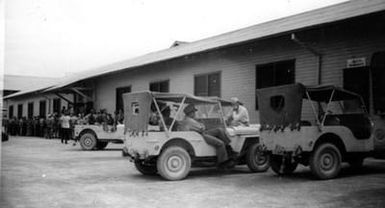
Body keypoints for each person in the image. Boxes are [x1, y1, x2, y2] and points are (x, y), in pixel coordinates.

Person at [181, 104, 234, 169]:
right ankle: (222, 162)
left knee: (219, 130)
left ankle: (228, 147)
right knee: (220, 143)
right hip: (201, 136)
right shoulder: (190, 121)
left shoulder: (187, 119)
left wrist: (201, 124)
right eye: (194, 112)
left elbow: (201, 127)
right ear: (190, 113)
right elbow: (202, 128)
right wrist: (202, 124)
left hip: (199, 134)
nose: (195, 113)